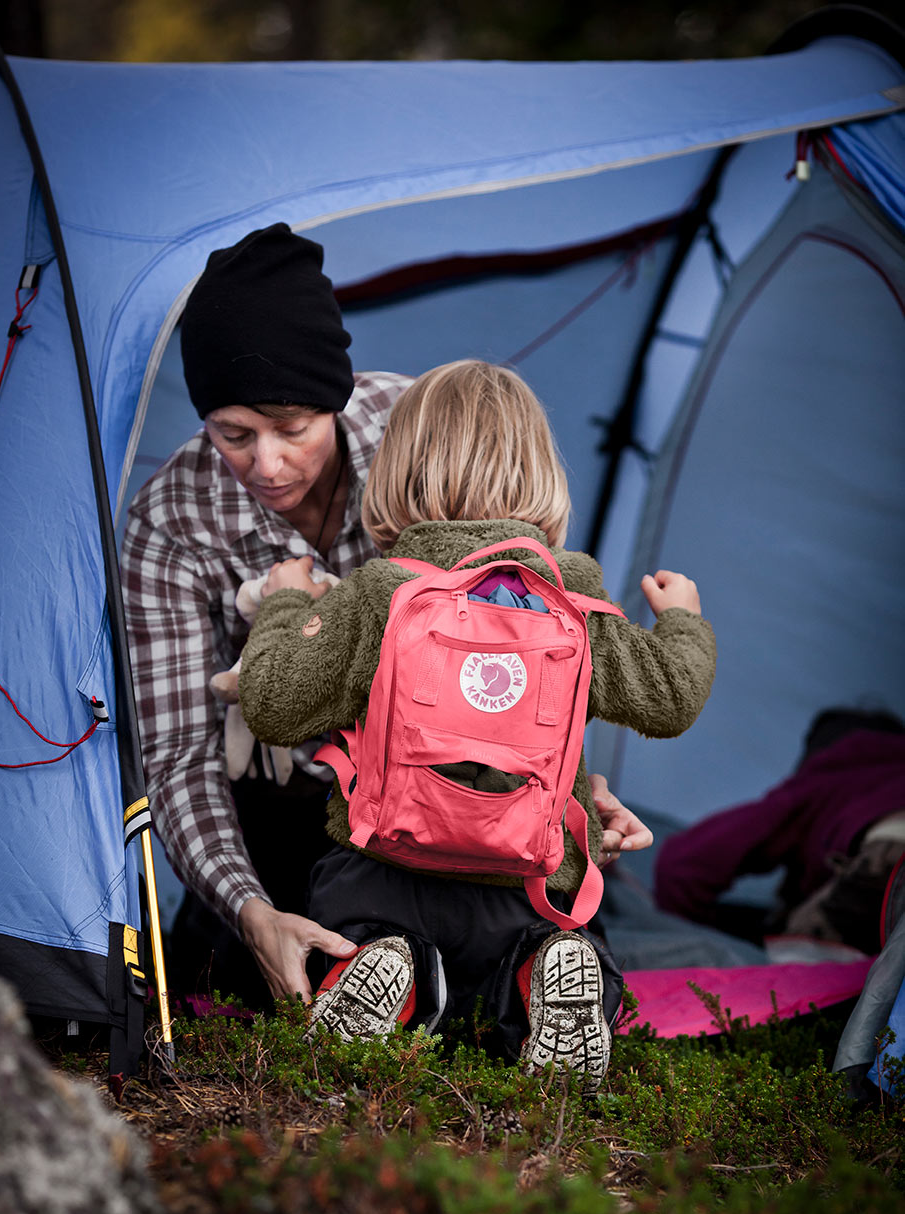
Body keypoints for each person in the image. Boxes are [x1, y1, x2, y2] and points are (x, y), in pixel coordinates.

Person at [121, 225, 650, 1010]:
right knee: (242, 977)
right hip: (281, 812)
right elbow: (177, 754)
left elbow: (525, 628)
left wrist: (557, 780)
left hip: (453, 790)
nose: (266, 464)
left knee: (454, 943)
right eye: (233, 435)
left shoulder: (421, 432)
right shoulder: (170, 521)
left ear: (335, 403)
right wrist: (248, 908)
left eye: (291, 429)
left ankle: (501, 971)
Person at [238, 360, 716, 1084]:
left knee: (355, 911)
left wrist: (285, 602)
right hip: (527, 883)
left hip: (387, 870)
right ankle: (543, 967)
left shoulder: (383, 591)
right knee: (559, 934)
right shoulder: (573, 597)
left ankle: (383, 962)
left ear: (396, 473)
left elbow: (273, 704)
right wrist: (681, 619)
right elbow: (670, 697)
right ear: (543, 477)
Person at [654, 706, 905, 953]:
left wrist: (690, 940)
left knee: (790, 960)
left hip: (885, 856)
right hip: (885, 857)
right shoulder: (889, 777)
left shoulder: (828, 776)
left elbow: (681, 864)